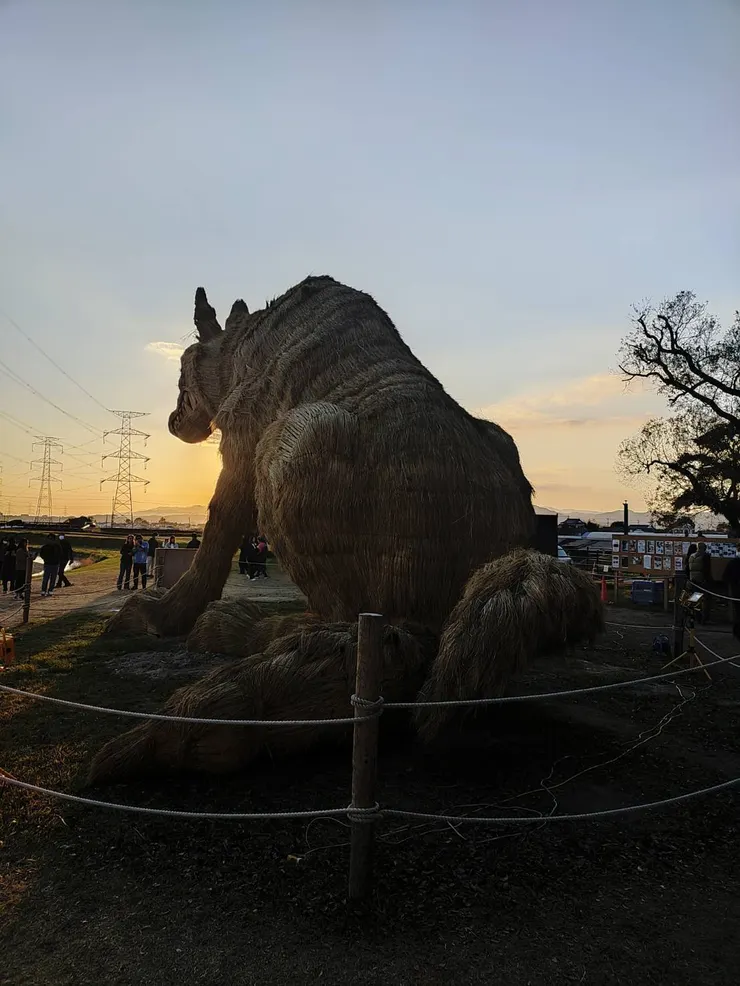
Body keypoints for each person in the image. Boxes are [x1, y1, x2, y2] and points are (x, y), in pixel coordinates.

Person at [688, 542, 712, 624]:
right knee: (706, 599)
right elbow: (706, 569)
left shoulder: (691, 556)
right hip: (702, 580)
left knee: (695, 598)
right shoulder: (705, 556)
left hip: (693, 579)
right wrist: (709, 580)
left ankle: (695, 616)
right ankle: (704, 618)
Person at [38, 533, 62, 597]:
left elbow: (60, 554)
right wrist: (46, 559)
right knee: (46, 578)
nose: (50, 540)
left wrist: (57, 560)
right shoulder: (45, 547)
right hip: (48, 564)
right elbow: (42, 554)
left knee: (53, 578)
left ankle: (50, 590)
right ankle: (43, 590)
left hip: (55, 564)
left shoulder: (57, 546)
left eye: (51, 539)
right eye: (49, 539)